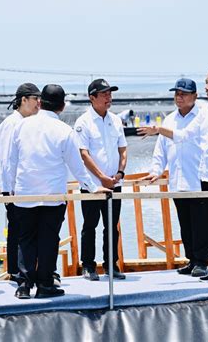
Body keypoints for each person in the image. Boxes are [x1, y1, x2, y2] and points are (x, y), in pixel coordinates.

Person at [138, 68, 208, 285]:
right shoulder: (206, 111)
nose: (206, 87)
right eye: (206, 83)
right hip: (205, 176)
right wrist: (159, 130)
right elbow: (184, 135)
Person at [8, 84, 110, 299]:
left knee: (25, 239)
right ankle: (45, 284)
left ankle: (24, 285)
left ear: (40, 102)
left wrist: (10, 191)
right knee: (48, 239)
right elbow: (76, 165)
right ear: (62, 106)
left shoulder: (21, 126)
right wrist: (92, 187)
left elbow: (11, 161)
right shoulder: (64, 130)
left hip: (25, 192)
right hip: (53, 194)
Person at [141, 78, 208, 277]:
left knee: (200, 224)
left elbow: (183, 136)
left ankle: (202, 261)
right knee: (185, 224)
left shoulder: (202, 117)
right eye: (177, 93)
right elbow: (160, 150)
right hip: (177, 181)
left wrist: (159, 130)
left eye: (184, 94)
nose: (179, 97)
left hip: (198, 180)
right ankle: (191, 260)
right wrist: (156, 170)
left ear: (195, 96)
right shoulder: (170, 119)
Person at [74, 78, 127, 281]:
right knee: (90, 225)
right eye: (104, 94)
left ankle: (111, 265)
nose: (108, 97)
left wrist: (120, 173)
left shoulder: (115, 120)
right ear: (92, 97)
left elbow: (123, 150)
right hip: (92, 186)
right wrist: (101, 178)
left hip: (114, 184)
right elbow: (84, 154)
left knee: (112, 226)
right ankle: (88, 265)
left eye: (110, 93)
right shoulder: (83, 122)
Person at [0, 82, 41, 281]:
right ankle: (15, 271)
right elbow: (7, 160)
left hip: (25, 187)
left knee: (27, 231)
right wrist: (11, 190)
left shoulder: (28, 122)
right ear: (23, 100)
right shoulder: (11, 123)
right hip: (14, 188)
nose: (38, 103)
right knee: (17, 231)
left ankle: (26, 269)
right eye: (35, 99)